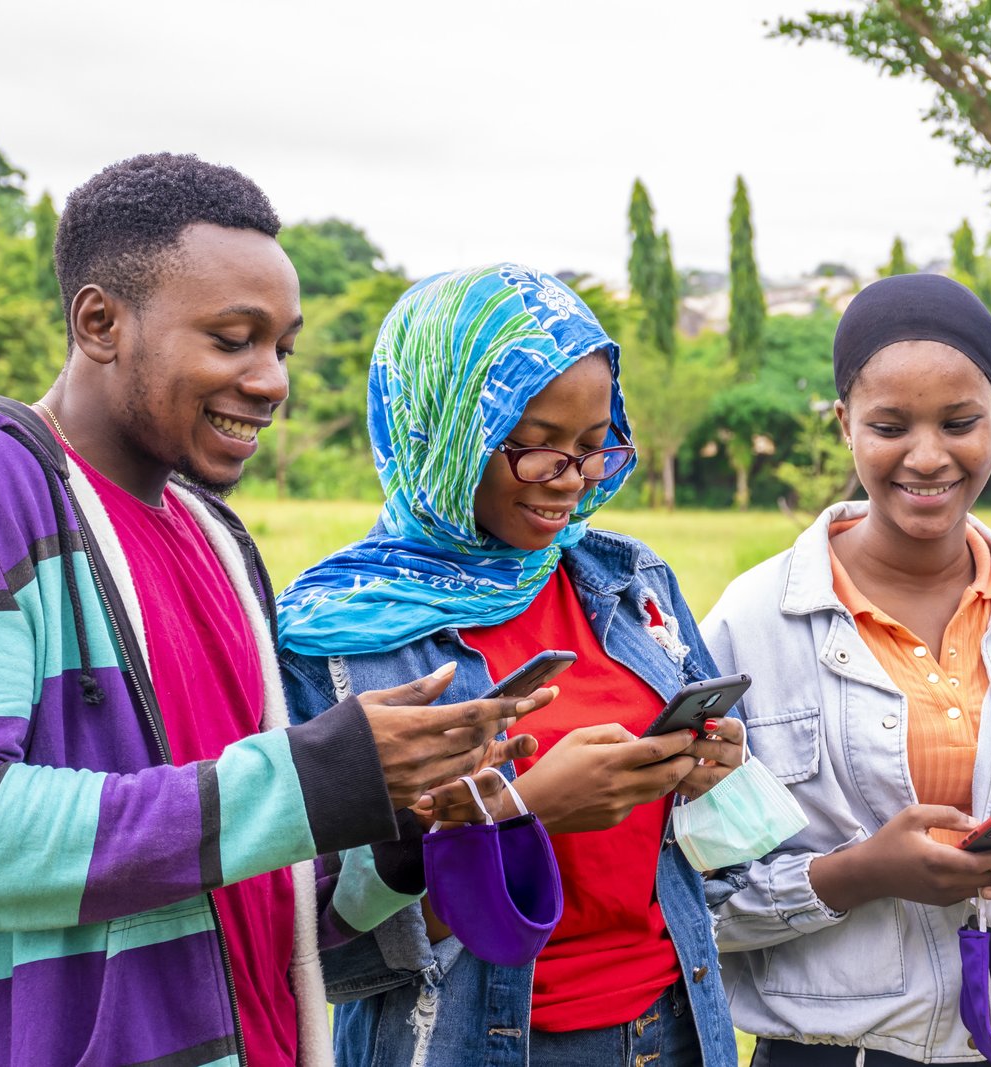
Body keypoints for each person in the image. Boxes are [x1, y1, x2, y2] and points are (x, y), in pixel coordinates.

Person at [0, 155, 546, 1067]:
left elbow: (252, 888)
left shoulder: (219, 540)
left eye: (282, 346)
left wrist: (397, 837)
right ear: (99, 322)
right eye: (233, 338)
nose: (271, 379)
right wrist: (311, 776)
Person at [276, 262, 744, 1067]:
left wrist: (709, 768)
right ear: (446, 429)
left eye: (594, 448)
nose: (570, 481)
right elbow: (311, 938)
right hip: (476, 1044)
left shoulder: (633, 583)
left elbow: (715, 862)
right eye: (535, 449)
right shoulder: (336, 634)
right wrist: (521, 810)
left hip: (673, 1028)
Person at [700, 273, 991, 1066]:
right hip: (831, 1051)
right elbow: (696, 908)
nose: (928, 456)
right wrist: (857, 873)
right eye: (890, 425)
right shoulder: (748, 625)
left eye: (960, 421)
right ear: (844, 423)